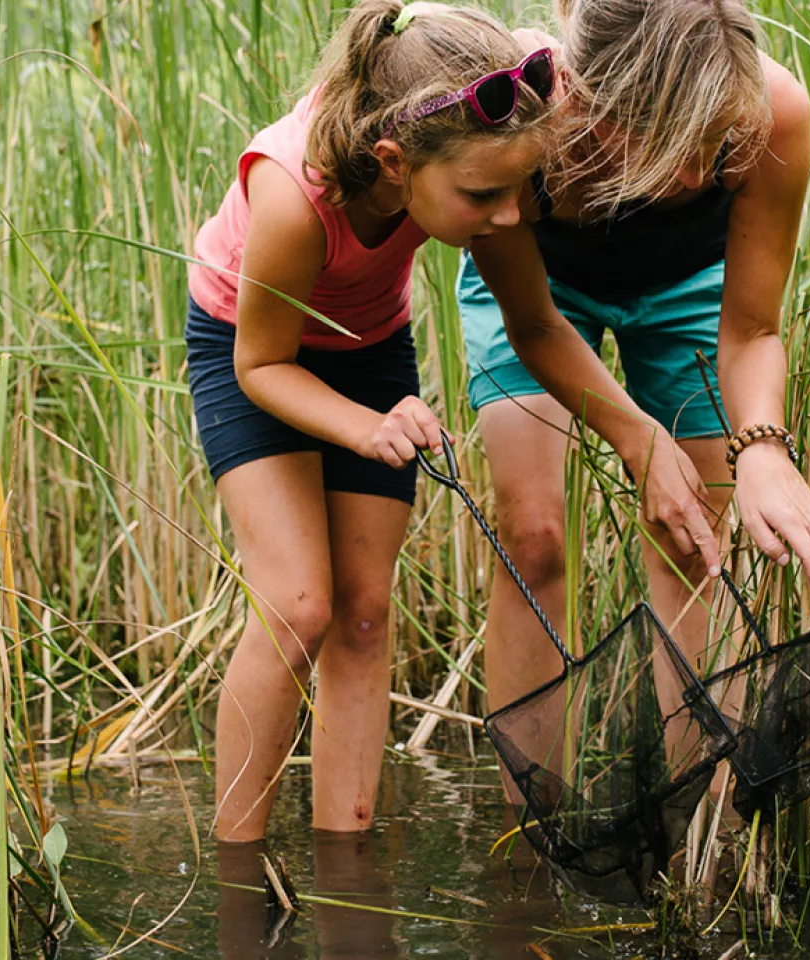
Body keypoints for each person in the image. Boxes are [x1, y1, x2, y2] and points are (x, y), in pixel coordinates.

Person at [188, 0, 554, 842]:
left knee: (362, 612)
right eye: (483, 195)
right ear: (393, 162)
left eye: (519, 188)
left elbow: (536, 321)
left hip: (369, 341)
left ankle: (347, 863)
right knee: (297, 605)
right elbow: (262, 365)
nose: (509, 216)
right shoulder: (293, 192)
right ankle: (241, 871)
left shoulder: (470, 156)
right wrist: (363, 427)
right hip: (252, 347)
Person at [457, 0, 810, 768]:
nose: (697, 174)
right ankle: (530, 843)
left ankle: (701, 821)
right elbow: (535, 326)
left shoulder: (774, 112)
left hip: (688, 286)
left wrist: (764, 451)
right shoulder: (512, 107)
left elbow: (752, 330)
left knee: (695, 542)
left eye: (717, 141)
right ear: (588, 96)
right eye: (670, 139)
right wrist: (640, 444)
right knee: (534, 535)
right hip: (541, 296)